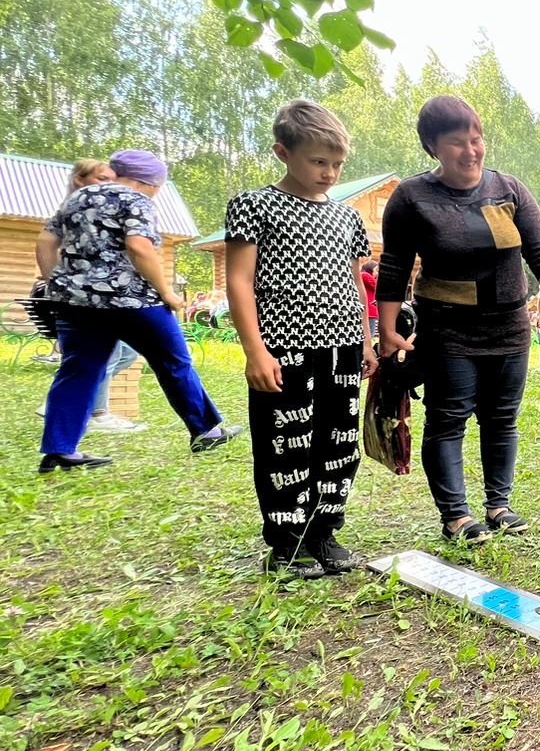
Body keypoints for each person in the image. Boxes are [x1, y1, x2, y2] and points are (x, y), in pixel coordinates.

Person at [377, 95, 540, 544]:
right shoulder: (412, 198)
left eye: (477, 139)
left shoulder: (508, 189)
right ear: (432, 146)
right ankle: (455, 516)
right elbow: (393, 267)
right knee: (448, 417)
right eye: (457, 142)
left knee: (502, 417)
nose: (471, 151)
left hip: (509, 325)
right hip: (447, 327)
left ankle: (498, 505)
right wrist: (386, 330)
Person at [225, 99, 378, 579]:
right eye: (318, 161)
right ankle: (286, 541)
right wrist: (255, 350)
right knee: (284, 445)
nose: (329, 172)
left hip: (343, 347)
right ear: (282, 152)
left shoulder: (349, 219)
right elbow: (238, 281)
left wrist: (367, 342)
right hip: (282, 348)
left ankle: (323, 531)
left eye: (337, 164)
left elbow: (356, 284)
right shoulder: (254, 206)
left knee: (338, 442)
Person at [35, 150, 242, 471]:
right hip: (133, 301)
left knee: (78, 370)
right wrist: (168, 293)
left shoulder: (79, 198)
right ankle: (206, 431)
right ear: (152, 182)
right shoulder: (137, 199)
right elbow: (139, 247)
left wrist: (58, 285)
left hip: (77, 304)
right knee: (174, 362)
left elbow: (46, 242)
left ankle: (59, 450)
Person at [35, 158, 145, 433]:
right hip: (87, 298)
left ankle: (65, 404)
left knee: (118, 352)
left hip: (102, 296)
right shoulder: (76, 209)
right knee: (104, 353)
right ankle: (97, 412)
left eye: (112, 179)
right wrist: (54, 283)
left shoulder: (94, 208)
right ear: (78, 180)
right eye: (101, 179)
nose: (110, 185)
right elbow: (46, 244)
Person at [359, 260, 379, 342]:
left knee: (368, 335)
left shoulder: (364, 276)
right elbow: (378, 287)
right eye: (376, 270)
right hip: (369, 312)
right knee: (369, 336)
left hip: (369, 312)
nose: (377, 272)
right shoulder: (365, 275)